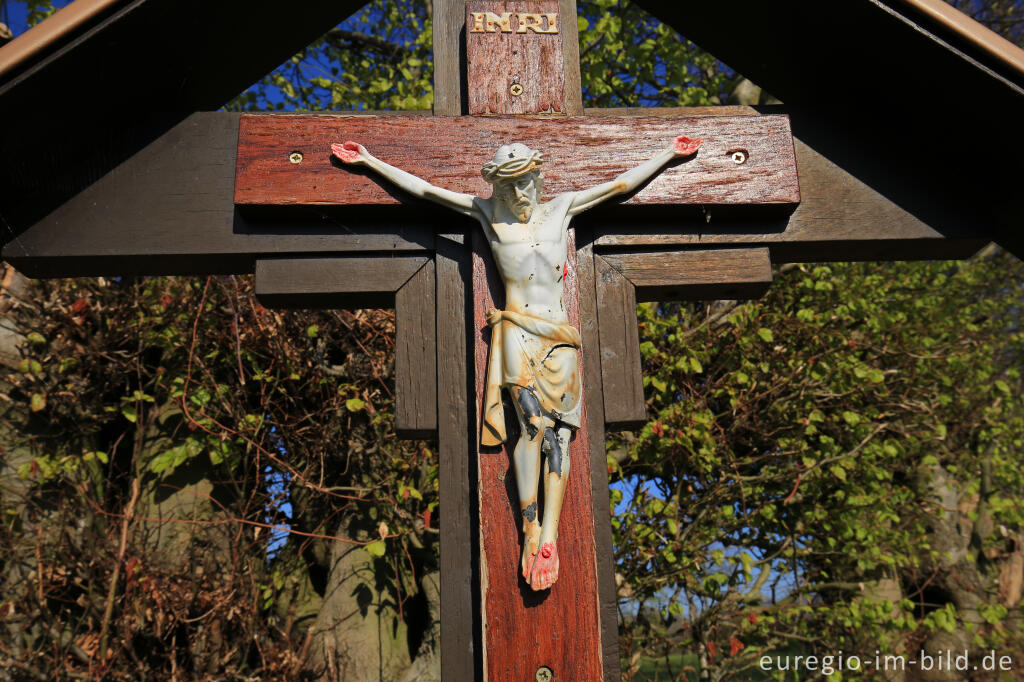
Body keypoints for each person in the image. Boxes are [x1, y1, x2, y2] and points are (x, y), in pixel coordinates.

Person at [332, 136, 701, 590]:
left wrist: (667, 154)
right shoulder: (487, 213)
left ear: (539, 178)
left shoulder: (562, 208)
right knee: (530, 431)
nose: (521, 196)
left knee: (561, 437)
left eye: (526, 185)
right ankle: (530, 527)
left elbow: (619, 185)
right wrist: (371, 162)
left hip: (559, 338)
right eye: (510, 190)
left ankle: (551, 532)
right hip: (517, 335)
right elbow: (427, 192)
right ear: (498, 190)